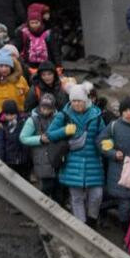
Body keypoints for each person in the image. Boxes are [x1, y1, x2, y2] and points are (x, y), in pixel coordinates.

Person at [46, 84, 105, 226]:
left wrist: (107, 144)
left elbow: (103, 136)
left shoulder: (96, 116)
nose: (76, 104)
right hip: (72, 162)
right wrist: (65, 131)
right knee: (76, 197)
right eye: (74, 101)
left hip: (93, 162)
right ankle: (81, 226)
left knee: (97, 195)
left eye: (79, 101)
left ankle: (92, 220)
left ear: (86, 101)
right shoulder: (64, 115)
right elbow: (50, 135)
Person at [97, 96, 130, 230]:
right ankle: (127, 232)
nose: (128, 113)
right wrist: (113, 153)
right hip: (118, 172)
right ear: (121, 113)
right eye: (125, 111)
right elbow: (100, 141)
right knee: (124, 204)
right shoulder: (114, 126)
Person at [19, 93, 64, 202]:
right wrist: (40, 139)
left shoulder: (59, 118)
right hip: (42, 158)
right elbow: (23, 138)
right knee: (45, 188)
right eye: (43, 107)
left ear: (53, 108)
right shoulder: (32, 120)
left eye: (48, 108)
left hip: (57, 158)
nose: (45, 110)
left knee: (59, 191)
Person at [0, 99, 31, 179]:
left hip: (24, 160)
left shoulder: (23, 121)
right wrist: (1, 162)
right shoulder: (2, 126)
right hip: (10, 161)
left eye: (12, 114)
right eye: (7, 114)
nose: (10, 117)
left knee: (25, 180)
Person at [17, 4, 60, 70]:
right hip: (30, 64)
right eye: (32, 23)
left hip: (46, 63)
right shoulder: (24, 32)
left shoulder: (48, 32)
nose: (34, 25)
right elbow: (20, 47)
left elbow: (54, 49)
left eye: (36, 23)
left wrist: (58, 64)